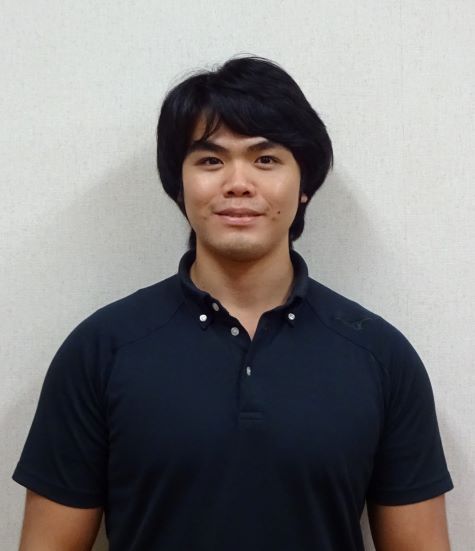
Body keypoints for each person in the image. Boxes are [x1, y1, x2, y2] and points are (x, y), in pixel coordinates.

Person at [12, 55, 454, 550]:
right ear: (179, 184)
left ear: (304, 185)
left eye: (266, 159)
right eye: (210, 160)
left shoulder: (381, 356)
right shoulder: (100, 350)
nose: (238, 183)